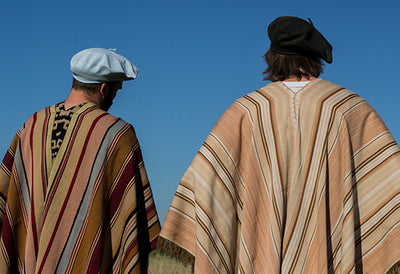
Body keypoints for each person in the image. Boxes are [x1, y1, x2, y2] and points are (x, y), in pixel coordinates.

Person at [158, 17, 400, 273]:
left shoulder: (245, 111)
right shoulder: (348, 109)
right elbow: (388, 185)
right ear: (314, 57)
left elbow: (205, 185)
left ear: (272, 58)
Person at [0, 48, 160, 273]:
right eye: (116, 89)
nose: (115, 97)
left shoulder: (30, 127)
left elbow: (7, 199)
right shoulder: (117, 134)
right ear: (104, 88)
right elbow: (135, 228)